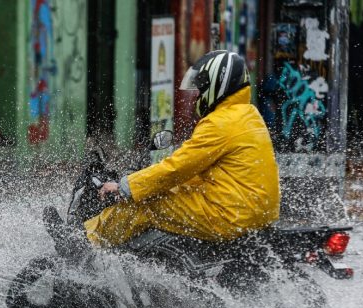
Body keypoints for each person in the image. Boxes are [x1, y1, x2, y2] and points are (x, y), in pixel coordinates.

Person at [77, 50, 280, 248]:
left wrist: (126, 187)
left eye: (202, 87)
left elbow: (178, 167)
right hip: (256, 212)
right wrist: (156, 182)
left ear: (219, 85)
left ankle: (84, 243)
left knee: (145, 204)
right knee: (172, 192)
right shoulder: (250, 115)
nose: (199, 94)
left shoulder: (221, 123)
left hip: (230, 214)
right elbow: (202, 171)